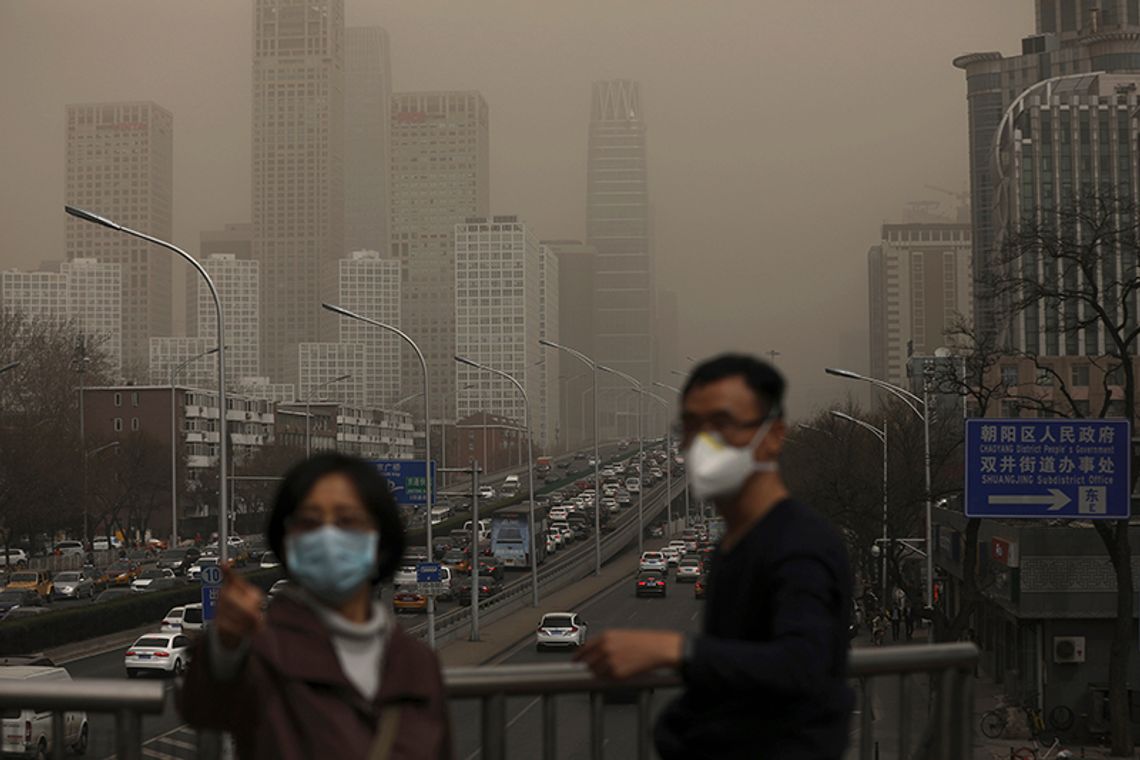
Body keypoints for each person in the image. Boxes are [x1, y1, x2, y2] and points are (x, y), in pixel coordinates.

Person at [576, 354, 854, 759]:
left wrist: (671, 651)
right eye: (692, 427)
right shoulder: (735, 545)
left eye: (722, 425)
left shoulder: (800, 544)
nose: (705, 443)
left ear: (774, 435)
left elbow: (804, 665)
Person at [179, 453, 452, 760]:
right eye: (310, 522)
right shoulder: (263, 657)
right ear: (287, 540)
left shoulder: (417, 664)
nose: (328, 536)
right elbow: (203, 707)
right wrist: (226, 642)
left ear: (381, 538)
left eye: (347, 520)